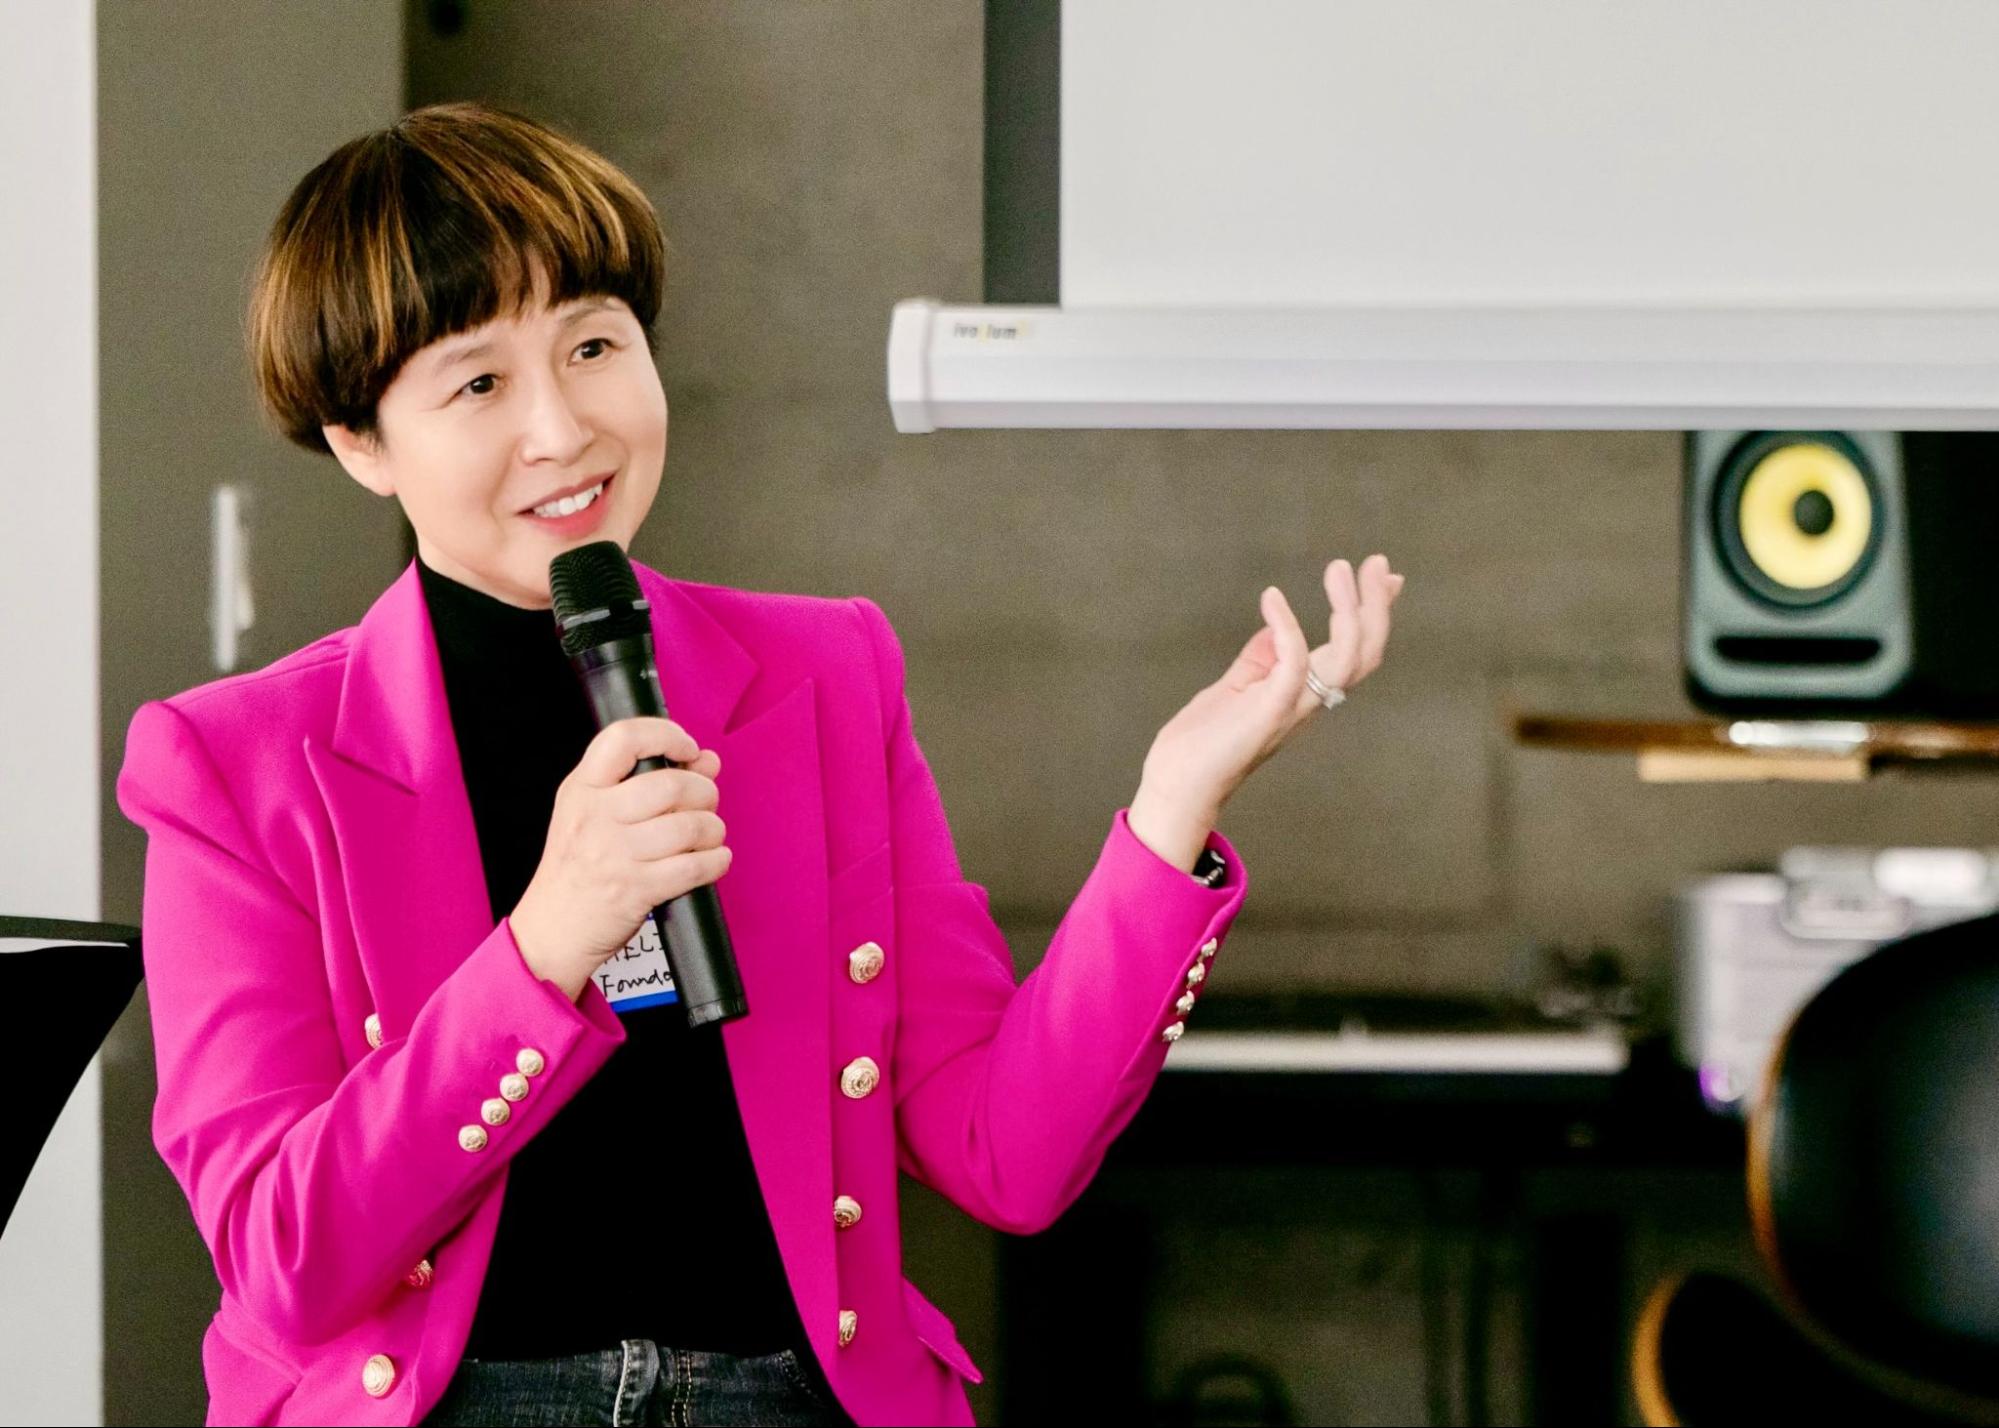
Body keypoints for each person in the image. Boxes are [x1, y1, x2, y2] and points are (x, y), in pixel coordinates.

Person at [114, 101, 1404, 1428]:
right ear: (361, 442)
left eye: (594, 345)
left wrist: (1171, 807)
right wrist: (545, 945)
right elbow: (283, 1263)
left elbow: (1004, 1154)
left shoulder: (823, 675)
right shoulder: (234, 767)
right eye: (479, 384)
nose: (562, 428)